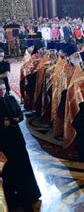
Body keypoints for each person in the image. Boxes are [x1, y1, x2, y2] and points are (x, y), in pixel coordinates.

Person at [0, 79, 41, 210]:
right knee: (10, 171)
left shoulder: (11, 99)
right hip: (4, 143)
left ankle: (30, 194)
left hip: (17, 140)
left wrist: (16, 119)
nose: (2, 92)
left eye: (4, 89)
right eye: (0, 90)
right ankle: (13, 199)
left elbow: (20, 114)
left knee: (24, 167)